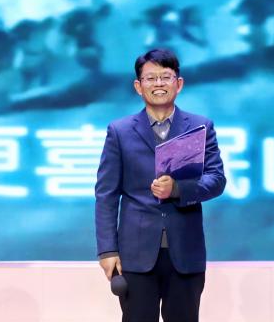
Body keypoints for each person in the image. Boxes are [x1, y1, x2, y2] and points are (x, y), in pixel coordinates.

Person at [95, 48, 226, 322]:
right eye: (151, 78)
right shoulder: (120, 131)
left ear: (179, 83)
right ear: (138, 86)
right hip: (136, 254)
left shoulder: (200, 127)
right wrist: (108, 250)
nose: (158, 84)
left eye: (165, 77)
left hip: (185, 252)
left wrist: (177, 190)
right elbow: (106, 195)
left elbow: (216, 180)